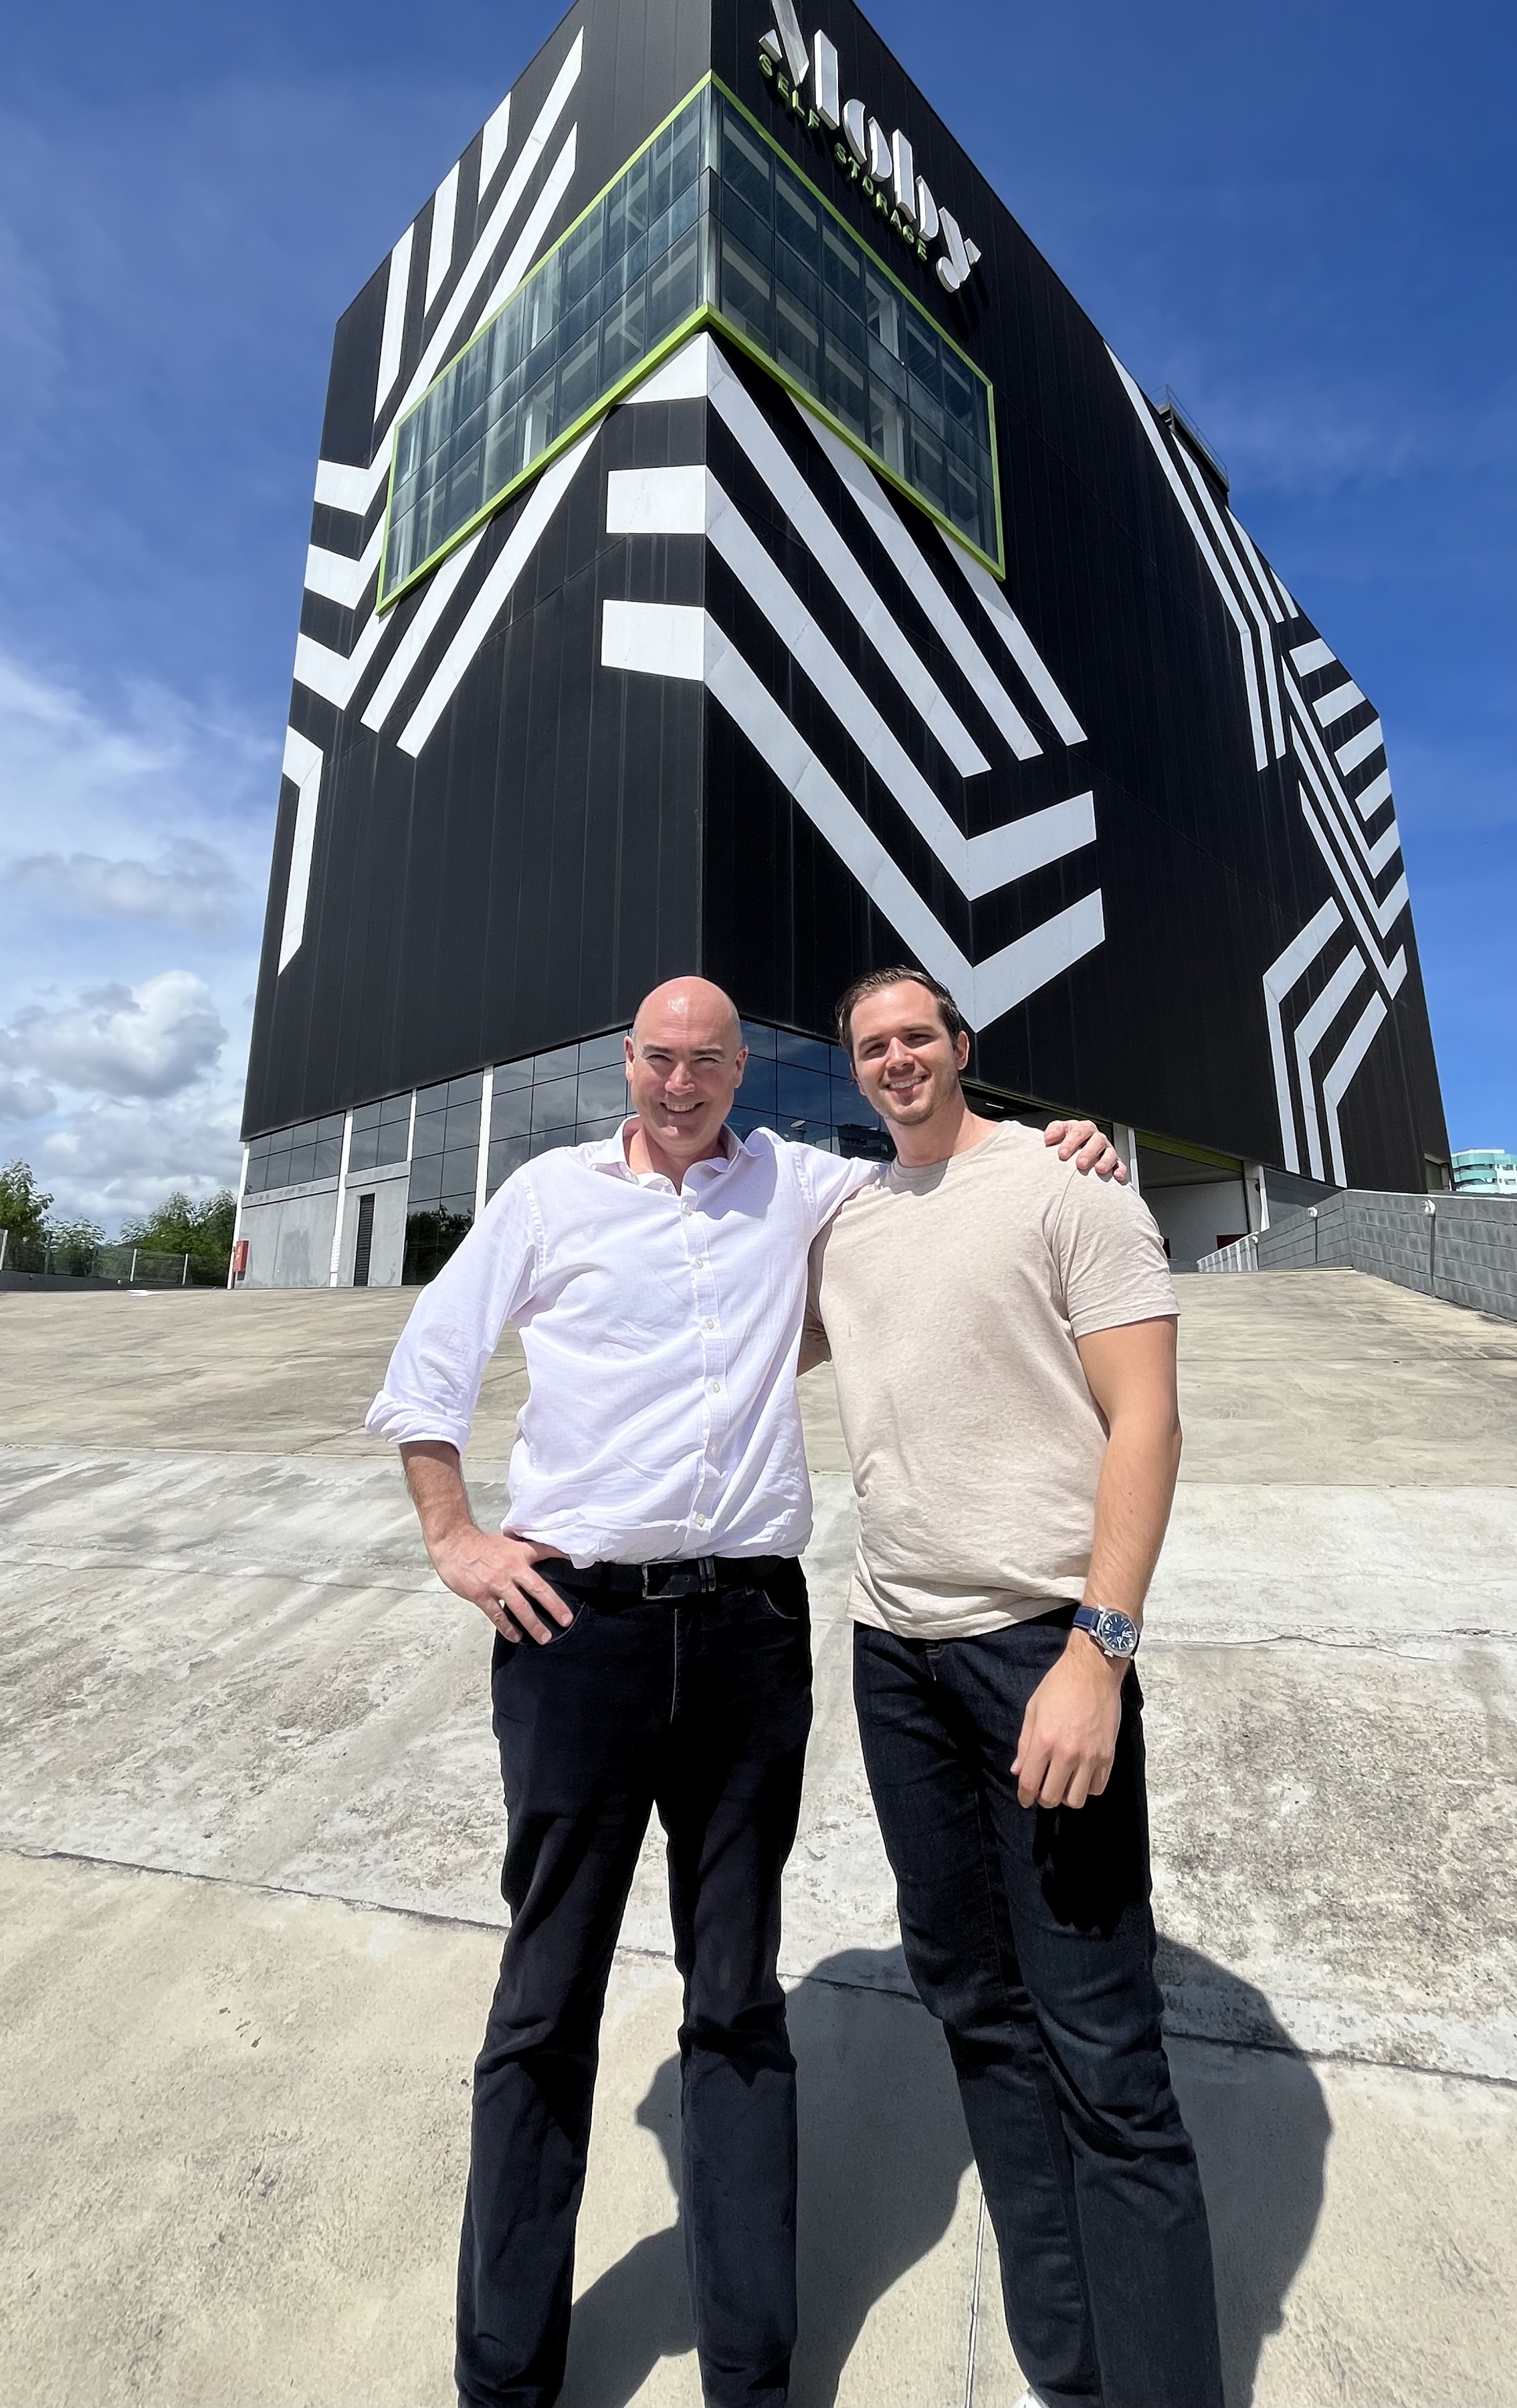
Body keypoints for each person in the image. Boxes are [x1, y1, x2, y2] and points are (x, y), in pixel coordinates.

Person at [367, 976, 1122, 2408]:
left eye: (711, 1061)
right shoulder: (546, 1194)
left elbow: (935, 1160)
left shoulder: (796, 1185)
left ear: (740, 1074)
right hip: (574, 1634)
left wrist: (1056, 1135)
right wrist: (457, 1541)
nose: (682, 1082)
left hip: (745, 1637)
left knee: (737, 1998)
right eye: (660, 1058)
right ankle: (503, 2374)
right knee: (544, 2000)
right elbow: (427, 1373)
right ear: (628, 1063)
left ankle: (751, 2374)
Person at [810, 964, 1223, 2408]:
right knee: (976, 2012)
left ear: (962, 1047)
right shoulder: (848, 1224)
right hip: (894, 1661)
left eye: (917, 1035)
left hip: (1041, 1651)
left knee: (1104, 2048)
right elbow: (715, 1334)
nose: (895, 1060)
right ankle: (1069, 2371)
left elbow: (1147, 1419)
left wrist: (1097, 1655)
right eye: (872, 1045)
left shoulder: (1073, 1191)